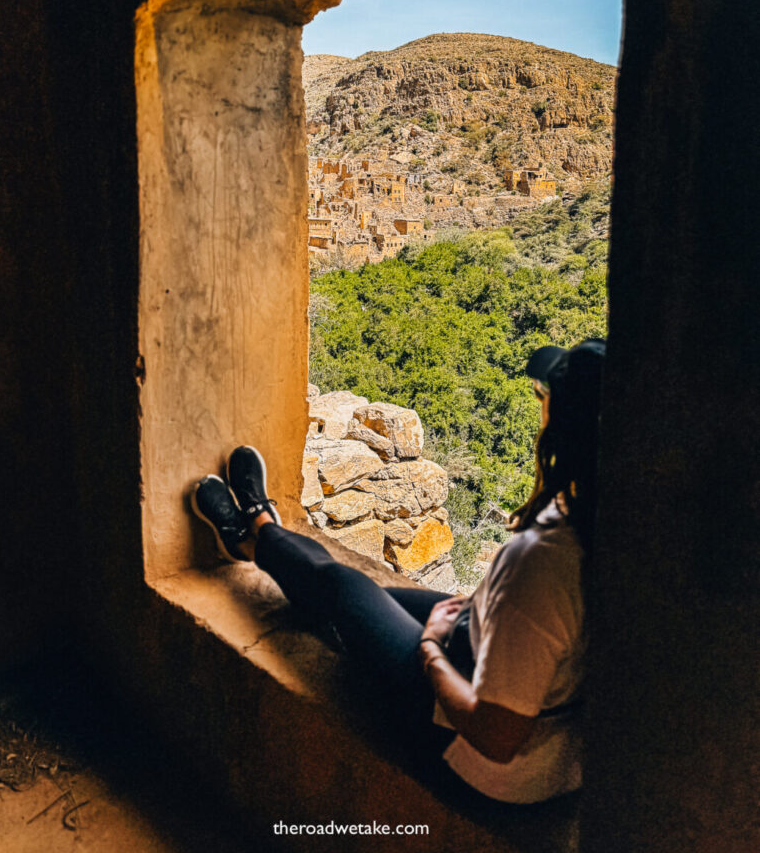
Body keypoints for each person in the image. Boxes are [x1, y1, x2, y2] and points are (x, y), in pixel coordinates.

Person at [190, 338, 605, 805]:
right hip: (550, 745)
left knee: (343, 588)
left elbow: (496, 735)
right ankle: (255, 538)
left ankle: (254, 531)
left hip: (478, 765)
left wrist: (430, 650)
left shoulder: (542, 562)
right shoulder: (616, 525)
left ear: (563, 431)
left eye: (543, 398)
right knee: (358, 594)